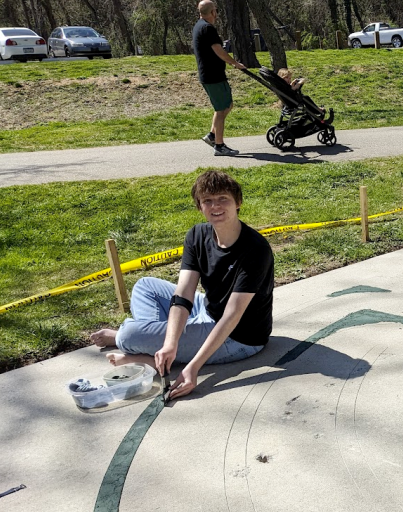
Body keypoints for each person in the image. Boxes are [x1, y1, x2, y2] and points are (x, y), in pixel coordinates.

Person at [90, 171, 275, 400]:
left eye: (223, 199)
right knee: (146, 286)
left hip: (238, 337)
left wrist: (193, 368)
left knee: (128, 335)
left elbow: (232, 316)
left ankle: (146, 353)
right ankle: (163, 351)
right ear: (199, 206)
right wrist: (170, 342)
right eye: (207, 200)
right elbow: (184, 293)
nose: (215, 206)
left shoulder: (255, 249)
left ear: (238, 203)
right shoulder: (197, 235)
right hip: (207, 309)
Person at [193, 0, 246, 157]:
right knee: (222, 109)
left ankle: (212, 135)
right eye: (215, 10)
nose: (217, 14)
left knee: (226, 105)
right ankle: (219, 145)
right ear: (212, 12)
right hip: (213, 76)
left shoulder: (198, 26)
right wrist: (235, 63)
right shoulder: (208, 29)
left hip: (210, 75)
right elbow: (218, 50)